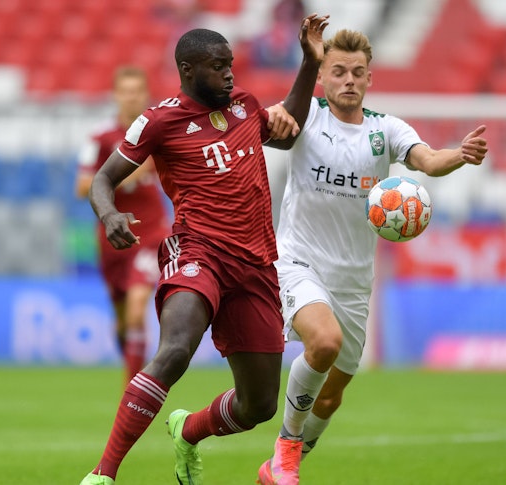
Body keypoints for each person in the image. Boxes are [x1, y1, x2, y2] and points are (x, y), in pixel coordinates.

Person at [78, 13, 330, 485]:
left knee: (258, 406)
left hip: (256, 264)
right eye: (219, 66)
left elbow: (290, 128)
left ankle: (188, 429)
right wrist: (109, 214)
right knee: (175, 350)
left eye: (231, 64)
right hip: (198, 251)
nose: (230, 73)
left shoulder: (246, 106)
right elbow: (103, 180)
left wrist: (309, 63)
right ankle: (103, 473)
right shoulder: (158, 120)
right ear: (189, 70)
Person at [256, 29, 489, 484]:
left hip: (354, 280)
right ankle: (285, 447)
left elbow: (426, 161)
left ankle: (284, 463)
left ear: (369, 78)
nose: (348, 80)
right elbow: (274, 123)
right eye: (338, 71)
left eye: (357, 73)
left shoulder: (387, 129)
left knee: (329, 398)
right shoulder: (307, 115)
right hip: (299, 260)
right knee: (323, 343)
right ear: (322, 74)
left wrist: (459, 154)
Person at [75, 66, 171, 388]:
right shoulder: (100, 138)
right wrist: (130, 174)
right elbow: (82, 185)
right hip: (112, 237)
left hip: (150, 232)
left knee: (135, 309)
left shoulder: (157, 132)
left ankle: (132, 394)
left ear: (145, 95)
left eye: (137, 91)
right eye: (126, 91)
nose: (132, 97)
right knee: (121, 321)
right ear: (116, 95)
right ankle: (130, 360)